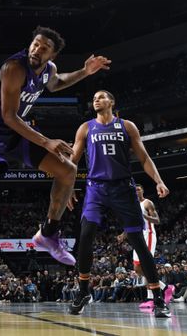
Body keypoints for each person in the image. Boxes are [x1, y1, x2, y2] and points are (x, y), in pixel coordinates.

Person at [0, 27, 110, 303]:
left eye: (44, 48)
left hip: (17, 132)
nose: (37, 50)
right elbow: (9, 116)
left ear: (52, 54)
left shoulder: (48, 69)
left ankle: (48, 234)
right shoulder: (14, 67)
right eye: (35, 44)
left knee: (68, 170)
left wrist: (85, 71)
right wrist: (47, 141)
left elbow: (57, 82)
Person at [66, 90, 171, 318]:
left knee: (138, 243)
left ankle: (158, 298)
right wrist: (67, 188)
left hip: (123, 188)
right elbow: (72, 161)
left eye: (101, 97)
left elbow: (143, 157)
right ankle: (83, 290)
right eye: (93, 97)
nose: (96, 99)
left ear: (112, 102)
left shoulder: (127, 126)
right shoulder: (85, 128)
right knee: (85, 235)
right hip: (96, 188)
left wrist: (159, 180)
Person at [127, 184, 173, 309]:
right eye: (134, 189)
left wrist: (144, 216)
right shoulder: (132, 205)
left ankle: (151, 298)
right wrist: (123, 234)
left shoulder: (147, 203)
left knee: (146, 265)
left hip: (149, 234)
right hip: (138, 236)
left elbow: (157, 220)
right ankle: (165, 287)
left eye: (138, 189)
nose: (136, 191)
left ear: (142, 190)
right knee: (137, 269)